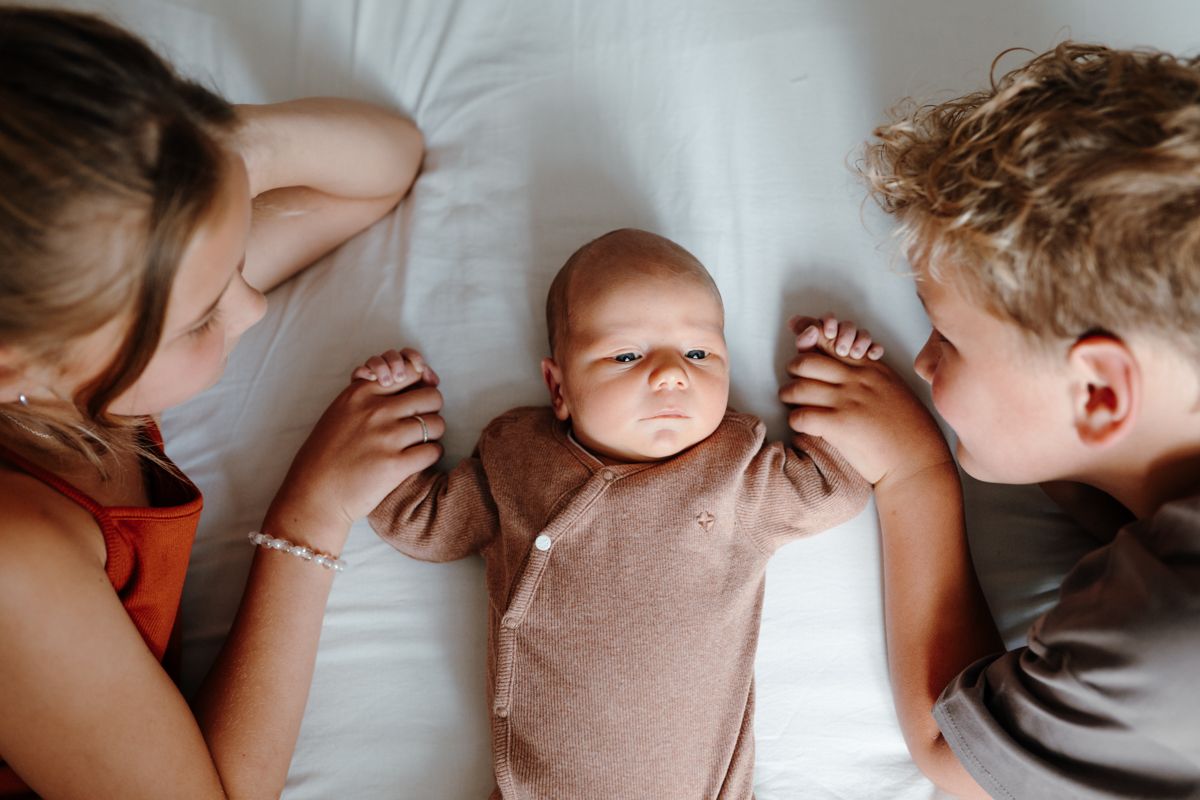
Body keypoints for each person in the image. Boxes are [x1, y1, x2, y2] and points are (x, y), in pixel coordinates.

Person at [0, 8, 442, 798]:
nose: (252, 310)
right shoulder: (15, 559)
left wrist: (215, 151)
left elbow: (385, 164)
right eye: (202, 318)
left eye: (237, 262)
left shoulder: (77, 347)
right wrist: (308, 517)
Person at [361, 227, 958, 799]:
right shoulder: (517, 461)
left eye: (699, 352)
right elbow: (422, 524)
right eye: (626, 356)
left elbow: (836, 485)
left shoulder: (734, 473)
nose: (672, 373)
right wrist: (394, 421)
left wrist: (833, 377)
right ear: (559, 388)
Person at [841, 41, 1200, 798]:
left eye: (948, 337)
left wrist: (914, 473)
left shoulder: (1151, 641)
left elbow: (952, 753)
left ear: (1100, 395)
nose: (923, 361)